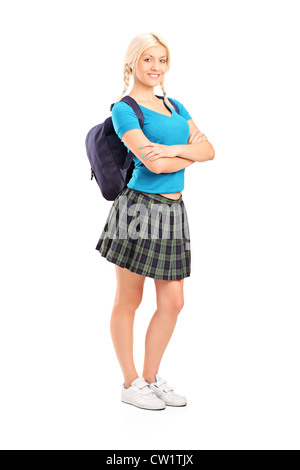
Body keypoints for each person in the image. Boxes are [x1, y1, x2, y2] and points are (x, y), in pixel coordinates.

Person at [95, 32, 215, 411]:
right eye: (148, 59)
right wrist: (187, 155)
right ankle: (130, 383)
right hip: (138, 211)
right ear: (133, 63)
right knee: (129, 299)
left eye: (161, 60)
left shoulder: (175, 105)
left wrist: (177, 150)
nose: (156, 67)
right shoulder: (124, 109)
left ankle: (151, 377)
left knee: (174, 302)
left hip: (174, 212)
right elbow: (155, 164)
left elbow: (209, 149)